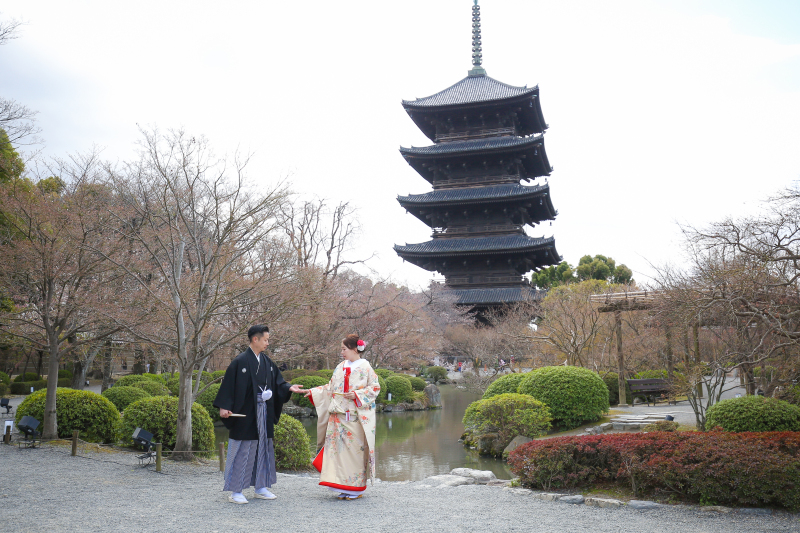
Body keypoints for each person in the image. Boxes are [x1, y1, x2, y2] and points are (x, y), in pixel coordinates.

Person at [213, 324, 304, 504]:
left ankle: (261, 487)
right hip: (245, 412)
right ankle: (236, 490)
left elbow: (279, 383)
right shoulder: (240, 361)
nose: (267, 343)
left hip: (264, 412)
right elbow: (229, 386)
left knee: (263, 448)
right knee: (243, 449)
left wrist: (288, 387)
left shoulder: (267, 362)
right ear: (255, 339)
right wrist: (224, 406)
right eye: (266, 340)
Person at [301, 334, 380, 500]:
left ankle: (355, 488)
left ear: (354, 348)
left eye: (344, 349)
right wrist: (313, 392)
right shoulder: (340, 366)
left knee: (354, 452)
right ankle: (341, 485)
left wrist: (358, 394)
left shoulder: (365, 367)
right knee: (337, 453)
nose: (342, 352)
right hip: (337, 417)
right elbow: (330, 387)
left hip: (354, 417)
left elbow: (375, 387)